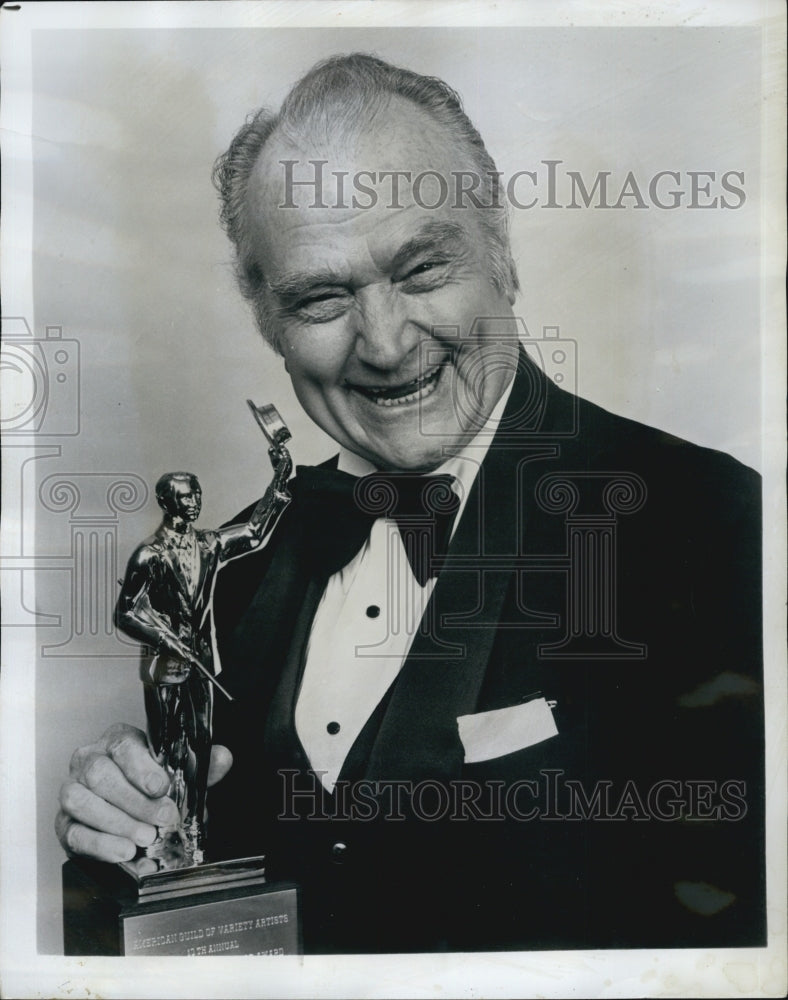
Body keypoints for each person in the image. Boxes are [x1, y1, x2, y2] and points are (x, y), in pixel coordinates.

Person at [56, 53, 765, 953]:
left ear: (500, 250)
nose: (386, 345)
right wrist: (123, 839)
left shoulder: (711, 524)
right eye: (322, 296)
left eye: (422, 270)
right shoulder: (239, 572)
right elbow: (202, 914)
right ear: (266, 319)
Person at [112, 459, 291, 865]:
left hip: (204, 663)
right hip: (165, 669)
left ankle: (193, 833)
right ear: (166, 501)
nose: (195, 502)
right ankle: (162, 835)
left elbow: (256, 533)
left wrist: (280, 479)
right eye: (186, 496)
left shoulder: (210, 544)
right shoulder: (149, 555)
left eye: (197, 494)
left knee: (200, 748)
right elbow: (125, 612)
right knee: (167, 751)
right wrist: (168, 639)